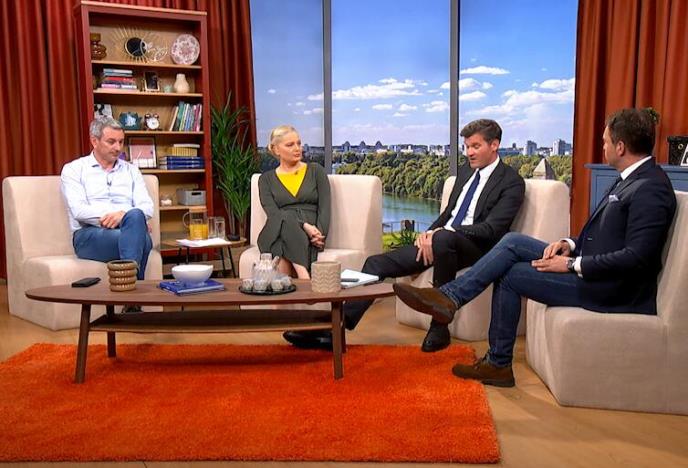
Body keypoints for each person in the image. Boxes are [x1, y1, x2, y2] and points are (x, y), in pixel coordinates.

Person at [394, 108, 677, 387]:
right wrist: (569, 244)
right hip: (594, 269)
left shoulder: (649, 188)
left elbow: (637, 258)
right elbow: (603, 235)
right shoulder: (630, 179)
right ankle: (450, 299)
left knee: (511, 274)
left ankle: (496, 361)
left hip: (612, 289)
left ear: (621, 146)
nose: (603, 147)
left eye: (605, 142)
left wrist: (571, 264)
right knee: (513, 241)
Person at [284, 119, 525, 351]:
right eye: (466, 146)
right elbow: (448, 213)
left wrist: (442, 233)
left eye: (475, 146)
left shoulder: (511, 182)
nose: (469, 152)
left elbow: (492, 230)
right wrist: (428, 233)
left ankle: (439, 327)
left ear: (494, 145)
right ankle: (334, 327)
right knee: (375, 263)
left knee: (444, 239)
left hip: (478, 248)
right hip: (443, 241)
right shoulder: (465, 171)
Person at [61, 117, 154, 312]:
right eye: (111, 142)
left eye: (121, 141)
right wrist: (123, 219)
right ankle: (133, 300)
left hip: (126, 231)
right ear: (94, 141)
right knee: (143, 239)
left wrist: (125, 217)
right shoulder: (74, 170)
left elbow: (147, 207)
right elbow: (79, 210)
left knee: (136, 217)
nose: (118, 147)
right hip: (88, 236)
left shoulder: (131, 171)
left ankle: (131, 302)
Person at [257, 125, 330, 279]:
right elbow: (273, 214)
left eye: (299, 143)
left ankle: (285, 289)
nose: (297, 148)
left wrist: (318, 234)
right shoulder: (265, 180)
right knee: (284, 219)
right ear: (276, 150)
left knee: (280, 249)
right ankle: (304, 276)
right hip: (278, 228)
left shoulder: (316, 171)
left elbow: (325, 209)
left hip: (309, 234)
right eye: (290, 145)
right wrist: (304, 225)